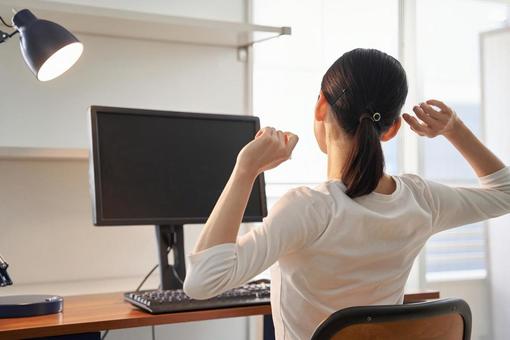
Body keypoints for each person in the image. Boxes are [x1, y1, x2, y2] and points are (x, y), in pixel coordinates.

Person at [183, 48, 510, 340]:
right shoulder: (421, 199)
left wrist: (246, 169)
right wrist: (454, 128)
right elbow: (505, 193)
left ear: (321, 106)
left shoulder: (309, 208)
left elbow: (202, 283)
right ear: (393, 128)